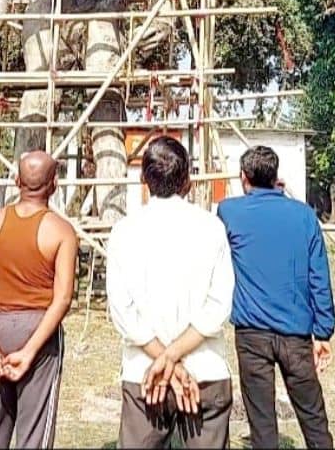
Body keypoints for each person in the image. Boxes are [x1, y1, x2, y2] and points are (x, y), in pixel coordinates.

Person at [106, 136, 235, 449]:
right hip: (205, 370)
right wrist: (174, 361)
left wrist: (165, 360)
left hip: (145, 374)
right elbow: (219, 306)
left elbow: (123, 312)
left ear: (143, 179)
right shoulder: (211, 227)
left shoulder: (124, 231)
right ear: (188, 180)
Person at [218, 145, 335, 449]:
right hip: (296, 333)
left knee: (262, 421)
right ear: (276, 177)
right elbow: (319, 276)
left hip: (252, 334)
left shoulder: (229, 211)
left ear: (243, 177)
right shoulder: (304, 215)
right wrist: (323, 332)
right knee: (313, 416)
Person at [0, 150, 78, 449]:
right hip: (39, 330)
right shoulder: (61, 231)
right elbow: (63, 297)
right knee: (35, 426)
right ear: (54, 184)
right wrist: (31, 350)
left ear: (16, 181)